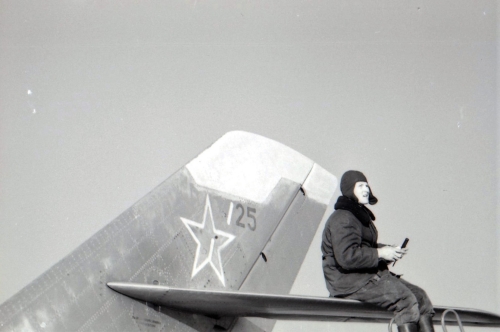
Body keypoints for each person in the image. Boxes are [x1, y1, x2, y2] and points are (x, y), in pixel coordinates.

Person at [321, 170, 435, 332]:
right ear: (349, 189)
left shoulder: (358, 215)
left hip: (366, 276)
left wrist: (389, 250)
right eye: (360, 185)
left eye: (366, 185)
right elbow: (347, 256)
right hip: (348, 283)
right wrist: (381, 254)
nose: (366, 189)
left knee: (421, 298)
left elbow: (366, 246)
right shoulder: (343, 218)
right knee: (405, 300)